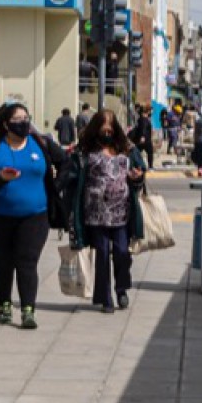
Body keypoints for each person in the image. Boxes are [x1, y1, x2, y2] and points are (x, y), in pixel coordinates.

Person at [0, 102, 63, 330]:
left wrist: (55, 185)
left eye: (26, 118)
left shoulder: (41, 144)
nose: (23, 123)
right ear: (5, 123)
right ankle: (4, 305)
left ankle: (28, 310)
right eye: (17, 119)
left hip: (35, 216)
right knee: (3, 263)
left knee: (27, 262)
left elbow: (67, 165)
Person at [69, 110, 146, 313]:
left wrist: (137, 176)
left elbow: (141, 169)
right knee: (102, 253)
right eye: (103, 125)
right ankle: (105, 298)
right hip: (95, 212)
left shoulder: (125, 148)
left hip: (122, 212)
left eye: (110, 125)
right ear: (96, 127)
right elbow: (73, 174)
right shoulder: (85, 150)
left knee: (121, 251)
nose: (107, 129)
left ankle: (121, 289)